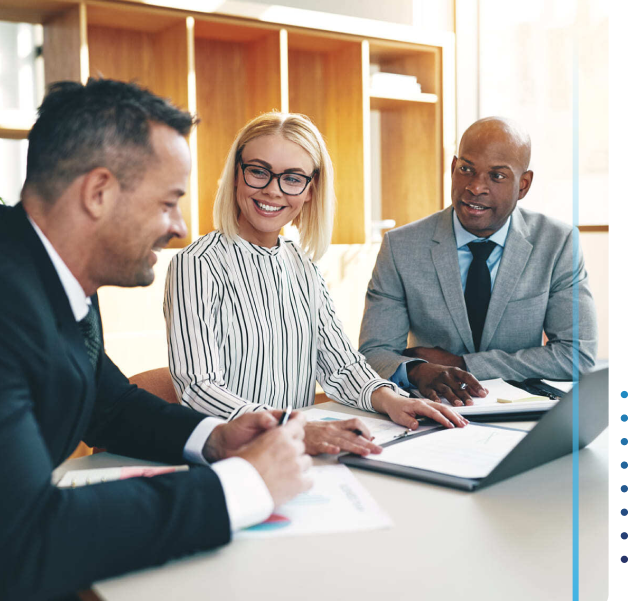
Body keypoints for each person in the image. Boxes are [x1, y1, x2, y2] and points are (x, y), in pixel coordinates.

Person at [0, 79, 313, 601]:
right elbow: (25, 543)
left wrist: (219, 439)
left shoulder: (44, 269)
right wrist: (243, 485)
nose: (179, 229)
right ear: (99, 193)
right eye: (168, 202)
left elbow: (107, 403)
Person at [164, 112, 468, 457]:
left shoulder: (303, 266)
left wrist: (389, 399)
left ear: (310, 190)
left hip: (296, 457)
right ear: (237, 174)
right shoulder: (196, 264)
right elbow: (198, 388)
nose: (272, 190)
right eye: (259, 171)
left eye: (292, 178)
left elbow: (340, 364)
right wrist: (292, 429)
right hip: (231, 460)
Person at [359, 116, 597, 406]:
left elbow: (577, 356)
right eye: (466, 169)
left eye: (497, 176)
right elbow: (374, 353)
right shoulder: (401, 247)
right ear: (452, 168)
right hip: (433, 411)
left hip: (523, 414)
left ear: (523, 185)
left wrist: (464, 363)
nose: (475, 187)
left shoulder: (557, 243)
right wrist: (419, 370)